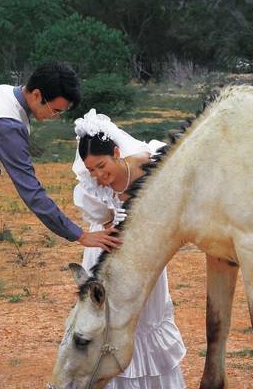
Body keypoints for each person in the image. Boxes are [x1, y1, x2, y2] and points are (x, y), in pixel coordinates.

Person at [0, 63, 120, 389]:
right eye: (55, 108)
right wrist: (79, 234)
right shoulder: (7, 123)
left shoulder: (5, 94)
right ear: (36, 95)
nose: (54, 116)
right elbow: (31, 191)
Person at [72, 109, 186, 389]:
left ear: (116, 151)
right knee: (107, 321)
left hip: (145, 256)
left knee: (145, 319)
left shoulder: (151, 164)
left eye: (101, 165)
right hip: (107, 251)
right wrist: (111, 223)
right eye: (91, 170)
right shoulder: (91, 187)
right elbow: (100, 220)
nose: (99, 175)